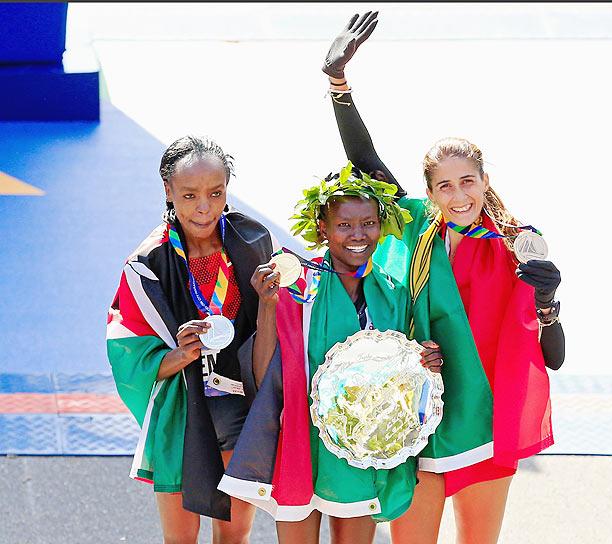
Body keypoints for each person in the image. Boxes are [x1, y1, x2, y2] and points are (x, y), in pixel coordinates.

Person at [321, 12, 566, 544]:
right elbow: (363, 160)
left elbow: (553, 357)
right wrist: (338, 82)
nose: (459, 196)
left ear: (484, 181)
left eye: (468, 182)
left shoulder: (516, 245)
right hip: (419, 419)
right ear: (428, 192)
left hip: (481, 420)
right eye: (445, 186)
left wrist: (548, 298)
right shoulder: (410, 229)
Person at [217, 164, 462, 544]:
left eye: (368, 223)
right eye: (345, 225)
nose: (358, 235)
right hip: (301, 446)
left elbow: (405, 374)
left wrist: (427, 361)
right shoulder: (298, 289)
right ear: (322, 228)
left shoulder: (394, 293)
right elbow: (266, 378)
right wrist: (267, 307)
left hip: (359, 450)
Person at [106, 135, 275, 544]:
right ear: (168, 191)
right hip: (181, 413)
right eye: (190, 195)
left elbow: (273, 333)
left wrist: (269, 303)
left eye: (216, 193)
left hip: (240, 407)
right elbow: (127, 352)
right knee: (180, 538)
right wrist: (180, 354)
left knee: (234, 536)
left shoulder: (252, 242)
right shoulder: (147, 264)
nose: (204, 207)